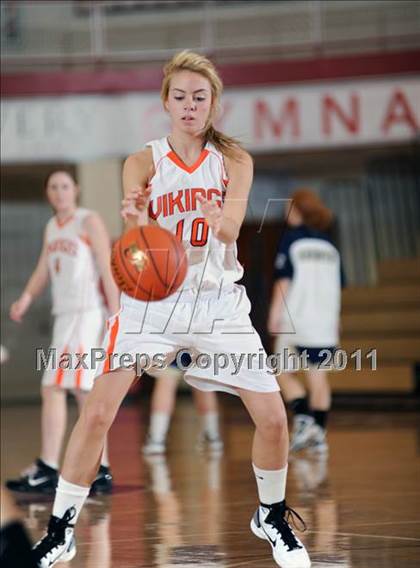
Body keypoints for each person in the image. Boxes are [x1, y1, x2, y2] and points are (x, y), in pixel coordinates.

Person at [33, 51, 311, 568]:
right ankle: (60, 530)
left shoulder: (235, 162)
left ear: (213, 105)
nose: (189, 105)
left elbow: (228, 233)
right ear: (165, 102)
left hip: (216, 303)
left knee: (274, 420)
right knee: (96, 413)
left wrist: (217, 215)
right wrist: (137, 220)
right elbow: (136, 244)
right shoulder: (141, 162)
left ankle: (269, 515)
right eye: (179, 97)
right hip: (151, 305)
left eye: (199, 97)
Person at [6, 170, 120, 496]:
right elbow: (43, 268)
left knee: (63, 389)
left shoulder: (88, 221)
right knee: (70, 391)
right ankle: (89, 468)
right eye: (53, 186)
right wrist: (25, 299)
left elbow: (106, 265)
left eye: (65, 186)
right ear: (47, 193)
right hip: (65, 317)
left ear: (76, 190)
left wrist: (116, 314)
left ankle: (62, 467)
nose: (59, 192)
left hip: (86, 316)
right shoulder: (51, 226)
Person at [268, 189, 344, 455]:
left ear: (298, 209)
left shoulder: (292, 241)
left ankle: (303, 420)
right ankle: (319, 434)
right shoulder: (330, 246)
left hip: (297, 319)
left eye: (288, 207)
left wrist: (274, 314)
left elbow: (283, 281)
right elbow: (337, 286)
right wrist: (336, 320)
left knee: (281, 371)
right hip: (324, 322)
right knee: (319, 378)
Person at [143, 354, 223, 455]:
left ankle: (156, 439)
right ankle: (212, 436)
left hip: (174, 341)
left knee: (166, 379)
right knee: (203, 383)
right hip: (199, 342)